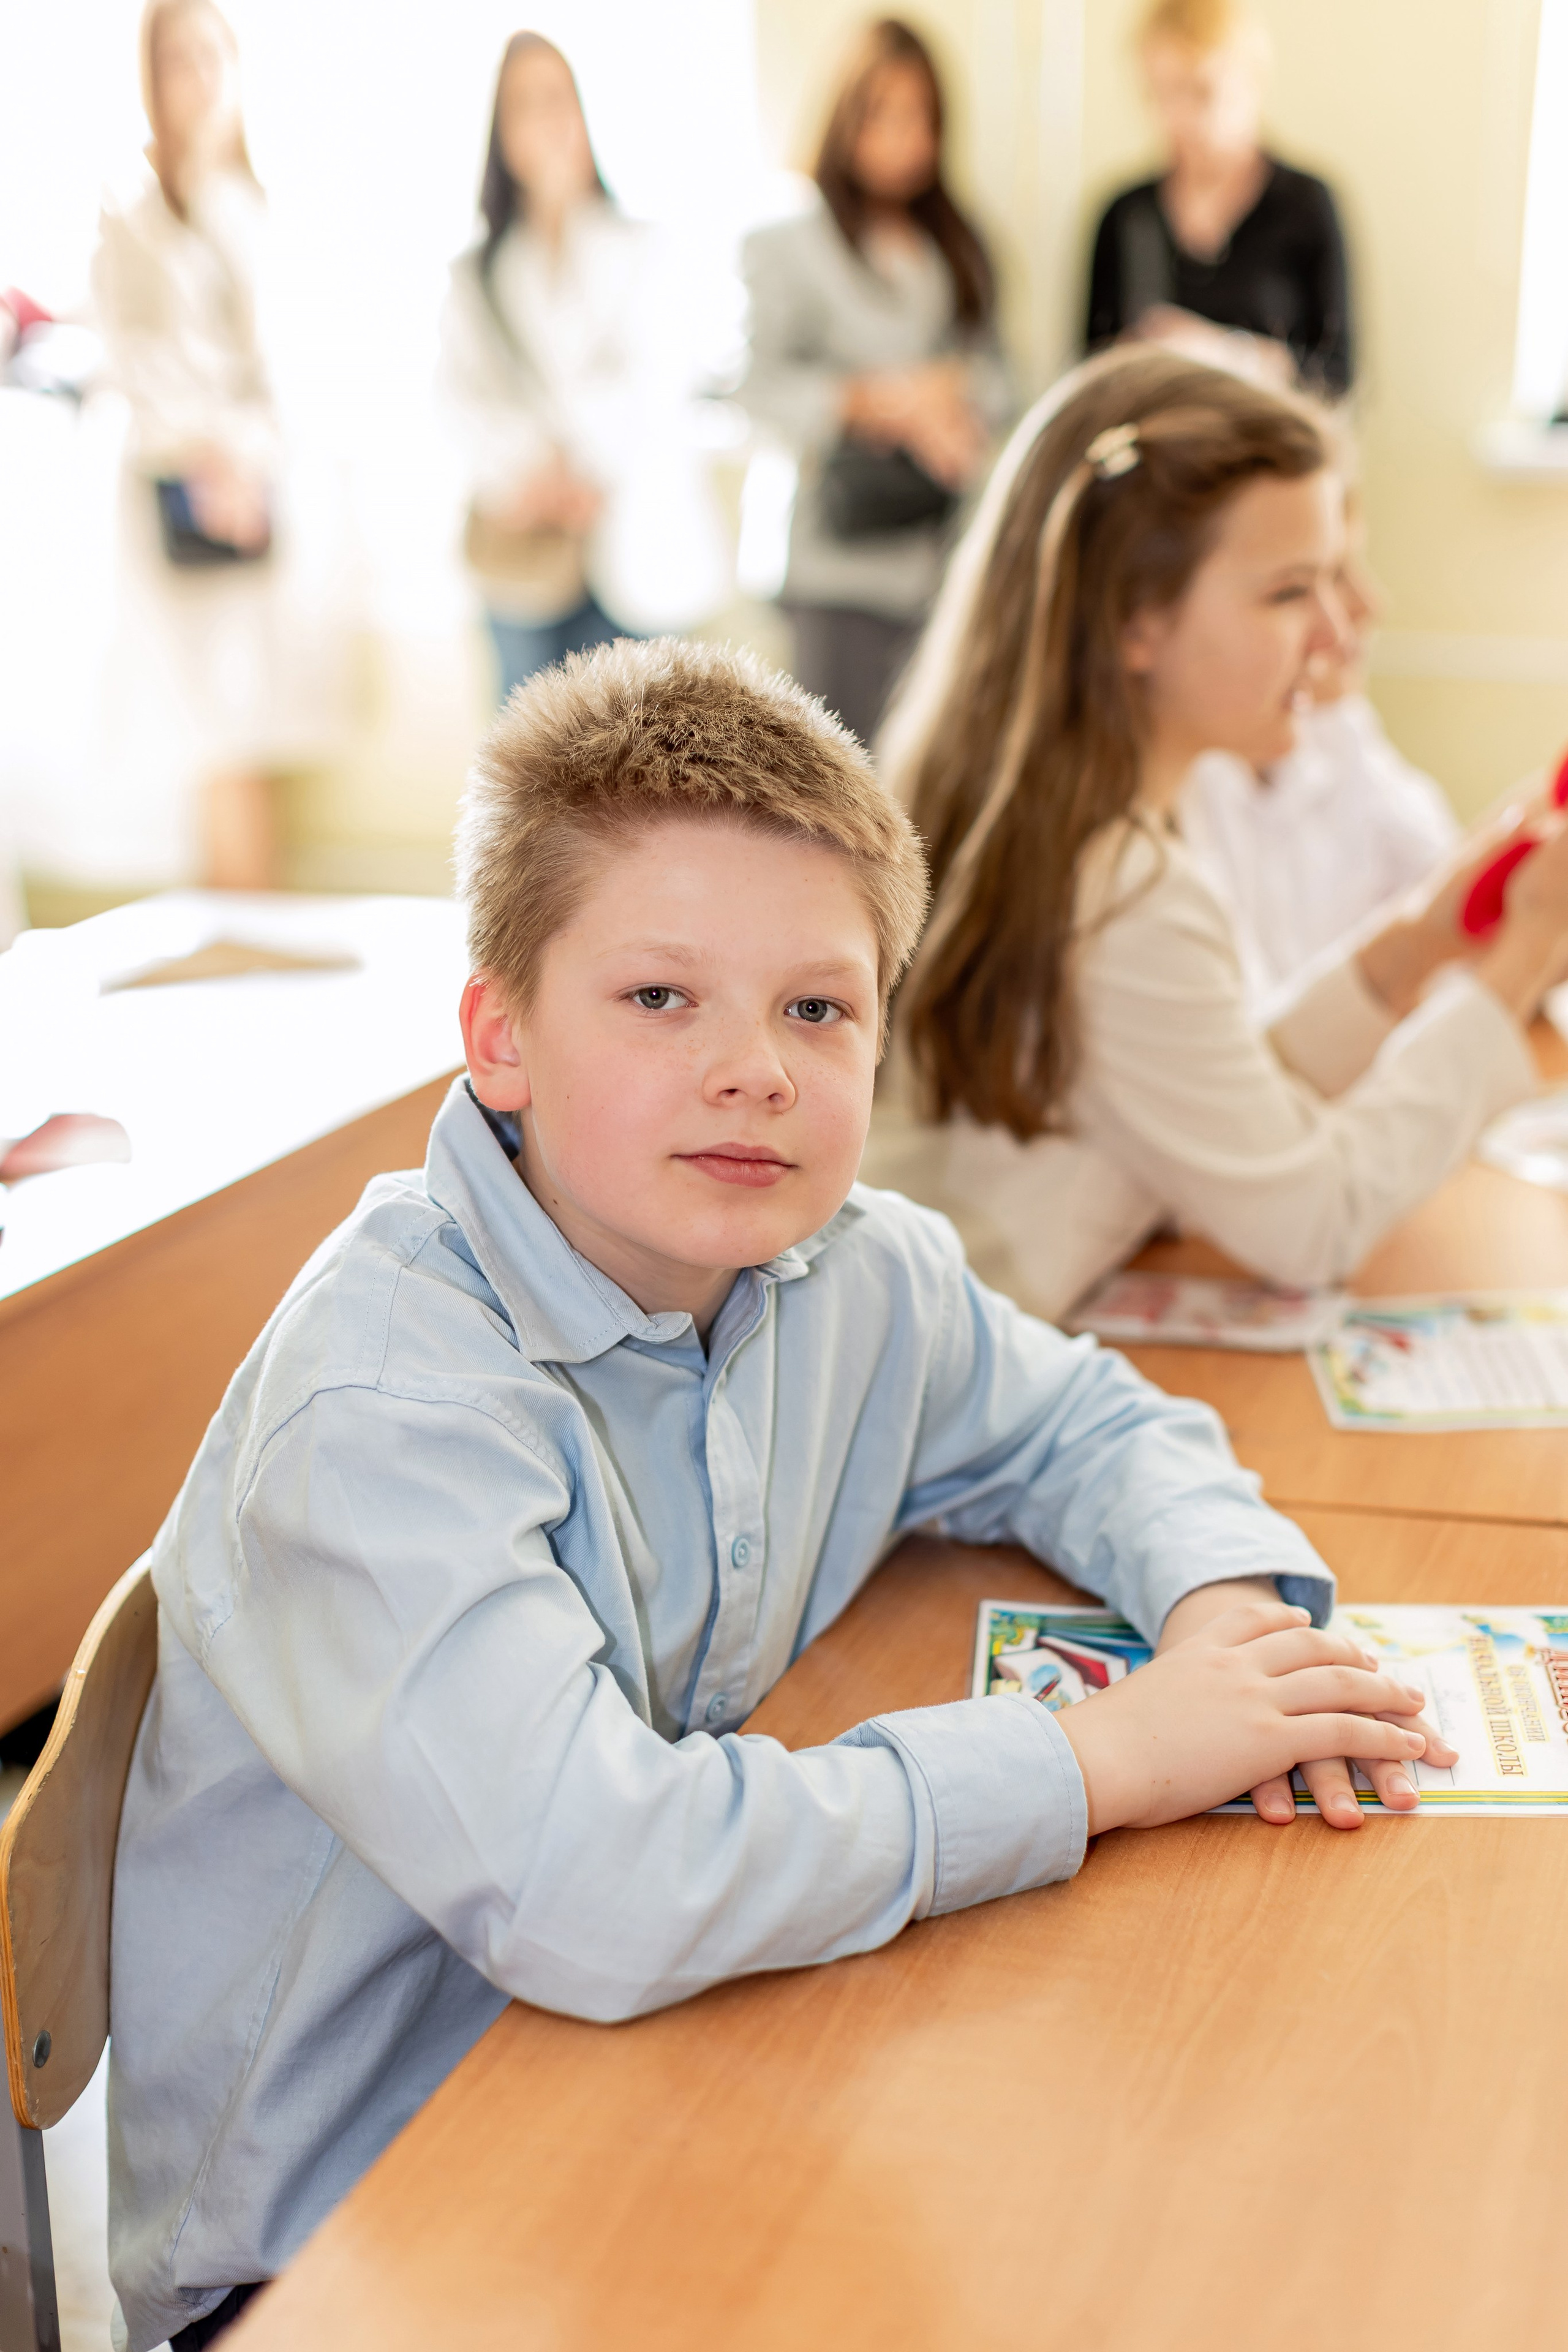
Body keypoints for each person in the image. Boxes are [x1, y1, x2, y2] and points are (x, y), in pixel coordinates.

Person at [107, 636, 1450, 2350]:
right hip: (341, 2238)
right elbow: (598, 1884)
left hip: (644, 2065)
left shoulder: (850, 1269)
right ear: (500, 1037)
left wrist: (1224, 1620)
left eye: (817, 1008)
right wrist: (1101, 1756)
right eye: (660, 998)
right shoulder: (385, 1406)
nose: (755, 1067)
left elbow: (1082, 1423)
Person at [873, 349, 1568, 1322]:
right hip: (947, 1370)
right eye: (1290, 593)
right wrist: (1525, 954)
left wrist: (1421, 939)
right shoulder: (1126, 893)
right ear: (1134, 619)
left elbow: (1220, 1091)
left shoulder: (1081, 830)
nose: (1337, 635)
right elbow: (1315, 1219)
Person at [740, 18, 1009, 748]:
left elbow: (1000, 376)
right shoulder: (788, 237)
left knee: (929, 774)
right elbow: (750, 391)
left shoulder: (957, 242)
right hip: (834, 567)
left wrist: (950, 404)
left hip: (937, 560)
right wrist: (875, 402)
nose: (900, 139)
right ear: (845, 114)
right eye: (882, 114)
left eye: (919, 118)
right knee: (840, 782)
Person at [439, 32, 727, 705]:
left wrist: (582, 466)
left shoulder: (647, 249)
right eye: (524, 104)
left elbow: (663, 386)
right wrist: (534, 473)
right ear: (500, 132)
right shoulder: (475, 275)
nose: (545, 121)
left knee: (643, 755)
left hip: (634, 549)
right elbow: (456, 400)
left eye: (557, 99)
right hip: (527, 557)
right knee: (528, 757)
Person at [92, 0, 293, 889]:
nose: (201, 78)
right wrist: (208, 450)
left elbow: (275, 365)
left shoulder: (253, 203)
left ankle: (250, 912)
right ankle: (228, 915)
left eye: (215, 56)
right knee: (202, 730)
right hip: (174, 492)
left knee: (252, 729)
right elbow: (130, 356)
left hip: (255, 495)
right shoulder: (124, 208)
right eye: (180, 59)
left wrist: (244, 456)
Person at [1181, 511, 1461, 1005]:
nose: (1367, 607)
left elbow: (1442, 881)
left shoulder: (1337, 730)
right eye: (1297, 589)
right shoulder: (1195, 779)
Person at [1085, 0, 1352, 398]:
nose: (1180, 117)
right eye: (1161, 95)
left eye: (1201, 92)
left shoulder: (1305, 206)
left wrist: (1225, 355)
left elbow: (1337, 378)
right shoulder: (1125, 215)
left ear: (1253, 81)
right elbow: (1087, 374)